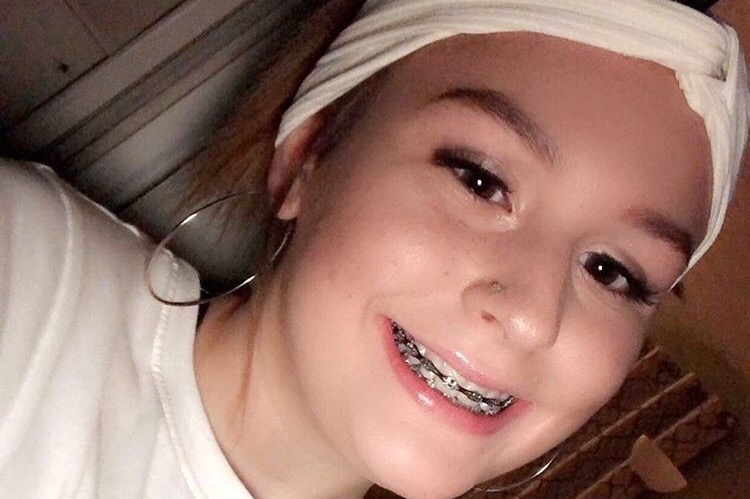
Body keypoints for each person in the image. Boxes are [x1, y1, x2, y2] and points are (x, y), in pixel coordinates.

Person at [1, 1, 748, 498]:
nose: (532, 315)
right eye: (481, 180)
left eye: (611, 271)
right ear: (309, 153)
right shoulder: (25, 279)